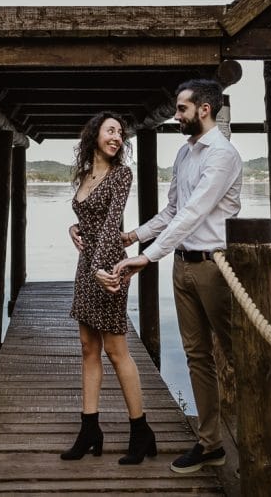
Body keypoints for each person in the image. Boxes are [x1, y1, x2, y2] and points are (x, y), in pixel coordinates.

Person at [107, 78, 271, 474]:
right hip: (183, 266)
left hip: (216, 267)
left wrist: (148, 257)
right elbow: (173, 210)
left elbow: (195, 212)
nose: (176, 116)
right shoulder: (184, 153)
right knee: (197, 357)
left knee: (241, 356)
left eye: (182, 109)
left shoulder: (222, 155)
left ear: (204, 109)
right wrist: (134, 236)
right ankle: (210, 444)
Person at [61, 112, 157, 465]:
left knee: (116, 351)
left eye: (120, 132)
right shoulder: (86, 175)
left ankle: (140, 430)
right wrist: (73, 228)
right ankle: (89, 429)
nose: (117, 137)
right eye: (110, 130)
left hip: (110, 266)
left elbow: (111, 224)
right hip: (87, 267)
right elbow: (89, 219)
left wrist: (100, 269)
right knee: (88, 348)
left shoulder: (122, 174)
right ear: (94, 136)